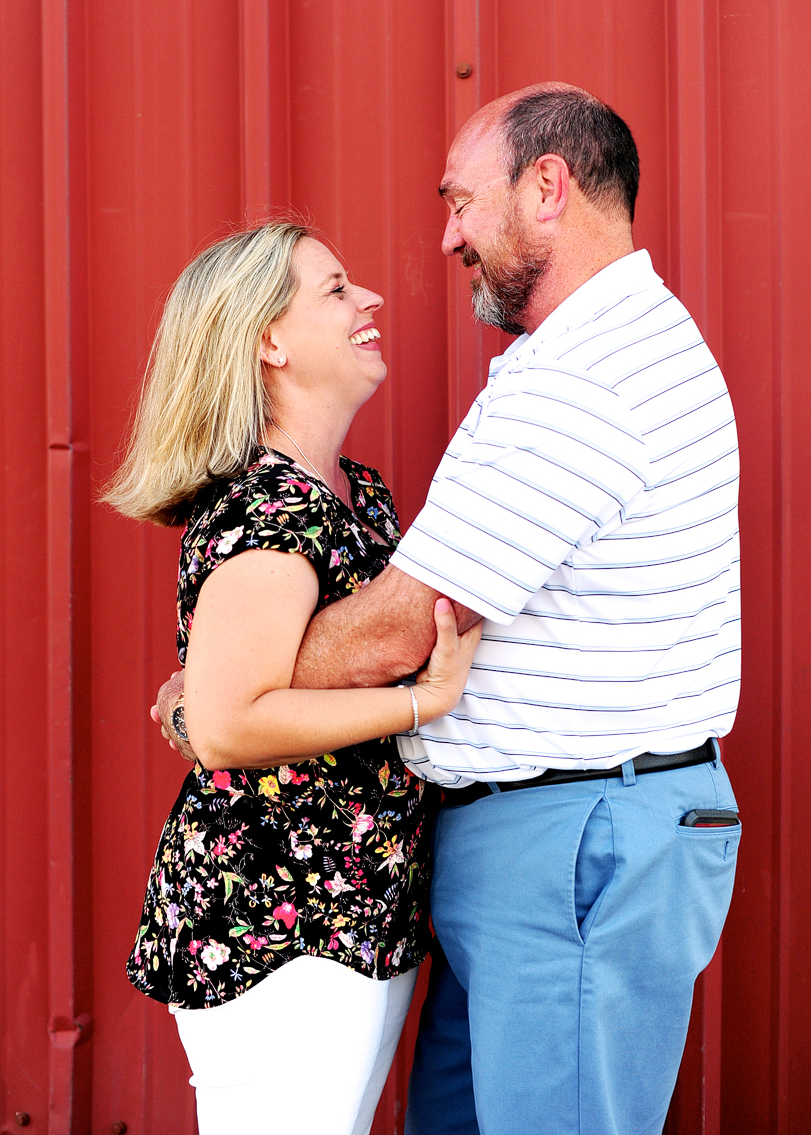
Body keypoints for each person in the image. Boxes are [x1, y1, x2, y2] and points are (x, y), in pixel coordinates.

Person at [160, 85, 741, 1134]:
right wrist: (223, 680)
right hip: (542, 847)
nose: (446, 237)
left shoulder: (589, 375)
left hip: (576, 838)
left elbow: (398, 626)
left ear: (548, 188)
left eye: (461, 202)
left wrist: (221, 684)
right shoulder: (582, 356)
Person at [104, 221, 482, 1135]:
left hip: (349, 911)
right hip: (276, 922)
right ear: (269, 339)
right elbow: (228, 722)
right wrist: (421, 701)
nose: (371, 301)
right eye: (336, 289)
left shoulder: (352, 491)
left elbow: (240, 681)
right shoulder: (264, 504)